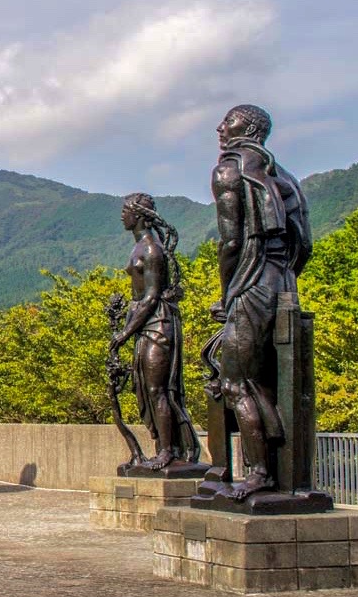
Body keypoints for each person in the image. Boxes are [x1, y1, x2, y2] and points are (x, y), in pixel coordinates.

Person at [208, 104, 311, 500]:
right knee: (270, 380)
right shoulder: (284, 177)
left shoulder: (229, 171)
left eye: (228, 120)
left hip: (252, 281)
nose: (220, 127)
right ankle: (280, 475)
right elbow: (305, 243)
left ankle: (261, 473)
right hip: (283, 278)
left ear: (248, 127)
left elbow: (231, 240)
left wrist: (228, 292)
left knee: (236, 381)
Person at [108, 194, 199, 471]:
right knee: (145, 390)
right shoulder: (138, 248)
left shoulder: (151, 250)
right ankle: (161, 447)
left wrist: (124, 333)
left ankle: (168, 451)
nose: (122, 216)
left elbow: (150, 297)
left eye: (126, 210)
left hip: (158, 324)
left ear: (138, 215)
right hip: (145, 325)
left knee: (159, 389)